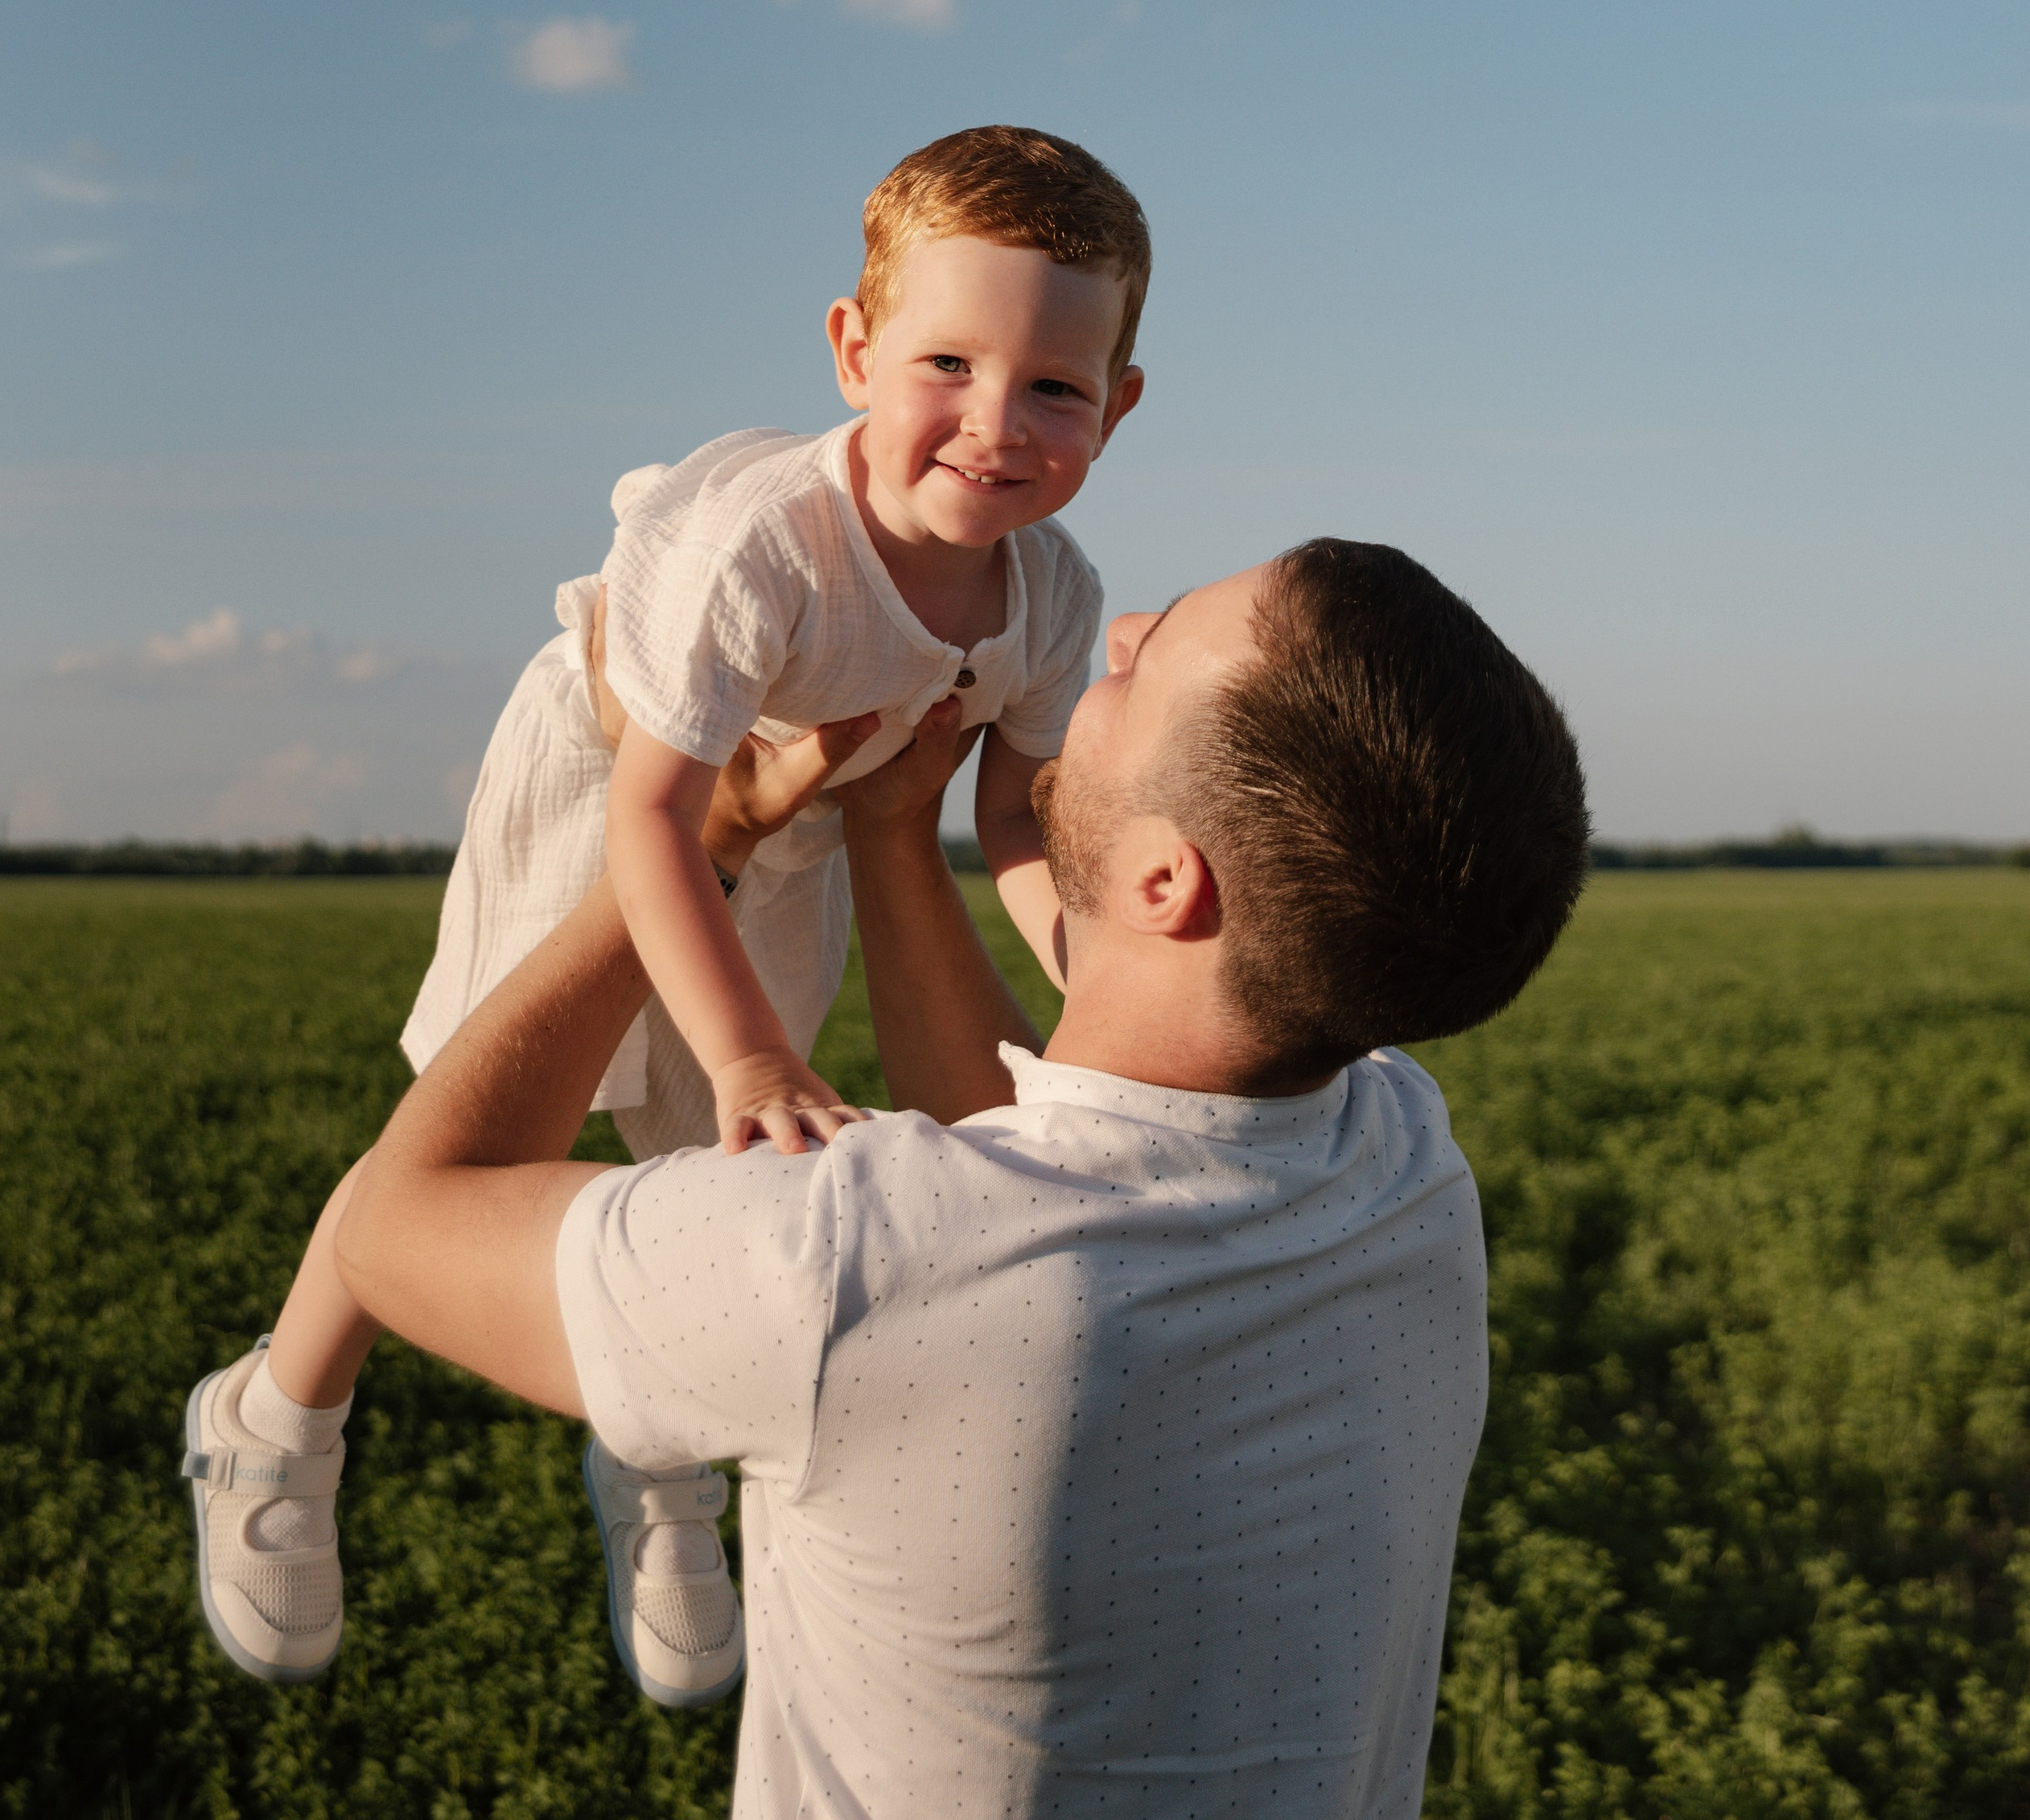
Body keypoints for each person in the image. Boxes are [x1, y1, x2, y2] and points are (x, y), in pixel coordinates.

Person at [331, 537, 1590, 1819]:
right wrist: (894, 834)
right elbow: (1050, 1161)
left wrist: (690, 845)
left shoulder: (845, 1266)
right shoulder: (1403, 1166)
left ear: (1167, 880)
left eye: (1149, 660)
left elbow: (393, 1221)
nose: (1120, 627)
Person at [181, 125, 1148, 1694]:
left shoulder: (1055, 596)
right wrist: (761, 1047)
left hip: (800, 827)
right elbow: (648, 812)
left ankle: (661, 1454)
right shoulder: (770, 547)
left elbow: (1019, 820)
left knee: (711, 1150)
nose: (992, 423)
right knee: (482, 1117)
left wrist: (1090, 999)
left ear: (1116, 405)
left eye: (1052, 387)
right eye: (946, 364)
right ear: (852, 348)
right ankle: (273, 1417)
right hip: (602, 783)